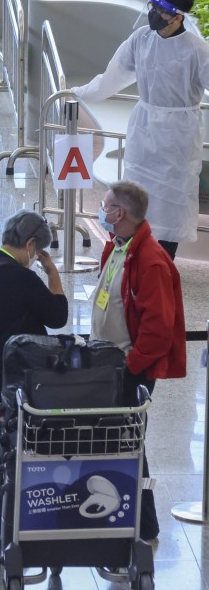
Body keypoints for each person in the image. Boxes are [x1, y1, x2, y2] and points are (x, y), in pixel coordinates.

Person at [71, 0, 209, 259]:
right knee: (134, 194)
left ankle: (162, 263)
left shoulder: (197, 50)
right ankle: (129, 261)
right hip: (143, 131)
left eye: (161, 12)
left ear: (178, 17)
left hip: (178, 137)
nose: (154, 15)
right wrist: (78, 93)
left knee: (172, 204)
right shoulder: (140, 39)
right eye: (153, 8)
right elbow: (111, 78)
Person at [0, 210, 68, 545]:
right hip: (4, 382)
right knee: (1, 450)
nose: (37, 259)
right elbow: (58, 316)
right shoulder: (21, 278)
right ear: (31, 244)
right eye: (38, 253)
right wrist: (52, 275)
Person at [93, 180, 186, 541]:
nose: (102, 209)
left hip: (130, 369)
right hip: (109, 363)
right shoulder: (118, 247)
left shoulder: (151, 261)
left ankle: (145, 522)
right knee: (119, 443)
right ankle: (129, 517)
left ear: (122, 213)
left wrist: (132, 369)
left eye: (107, 205)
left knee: (131, 445)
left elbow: (159, 327)